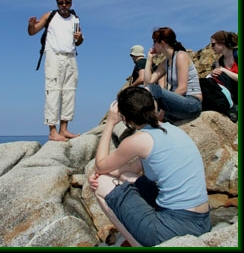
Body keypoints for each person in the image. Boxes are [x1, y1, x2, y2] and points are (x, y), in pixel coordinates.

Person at [89, 87, 211, 247]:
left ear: (125, 118)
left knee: (102, 183)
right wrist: (106, 171)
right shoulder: (172, 130)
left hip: (174, 227)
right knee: (126, 175)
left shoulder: (138, 140)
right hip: (202, 221)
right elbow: (130, 169)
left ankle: (138, 244)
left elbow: (99, 165)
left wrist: (110, 124)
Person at [28, 0, 84, 141]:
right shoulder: (50, 15)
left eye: (67, 2)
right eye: (61, 3)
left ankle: (64, 129)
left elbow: (79, 41)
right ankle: (53, 131)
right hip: (53, 56)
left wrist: (79, 38)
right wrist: (31, 25)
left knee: (69, 92)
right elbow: (32, 32)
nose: (64, 5)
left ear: (71, 3)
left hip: (70, 57)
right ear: (57, 3)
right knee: (53, 91)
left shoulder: (75, 18)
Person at [144, 27, 202, 122]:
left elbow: (182, 88)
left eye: (154, 42)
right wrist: (149, 58)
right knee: (145, 92)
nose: (153, 45)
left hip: (192, 103)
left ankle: (154, 122)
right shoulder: (165, 63)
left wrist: (163, 110)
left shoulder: (181, 56)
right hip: (178, 104)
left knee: (153, 90)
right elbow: (148, 82)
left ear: (162, 43)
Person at [206, 30, 238, 122]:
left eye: (213, 44)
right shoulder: (219, 62)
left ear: (222, 43)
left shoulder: (237, 54)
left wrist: (223, 70)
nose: (212, 47)